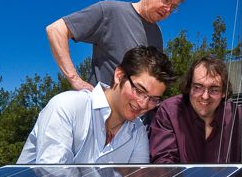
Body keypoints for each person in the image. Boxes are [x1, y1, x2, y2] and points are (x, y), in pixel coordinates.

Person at [18, 46, 177, 164]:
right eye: (139, 90)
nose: (143, 103)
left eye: (153, 99)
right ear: (119, 75)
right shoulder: (66, 107)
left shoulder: (138, 132)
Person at [149, 55, 242, 177]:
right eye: (198, 87)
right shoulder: (169, 111)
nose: (204, 96)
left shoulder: (236, 115)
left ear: (223, 93)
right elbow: (164, 164)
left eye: (214, 89)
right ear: (188, 87)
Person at [47, 0, 185, 91]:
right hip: (102, 115)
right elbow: (56, 30)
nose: (168, 10)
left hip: (138, 120)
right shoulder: (110, 11)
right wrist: (74, 80)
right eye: (166, 0)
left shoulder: (157, 34)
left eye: (173, 7)